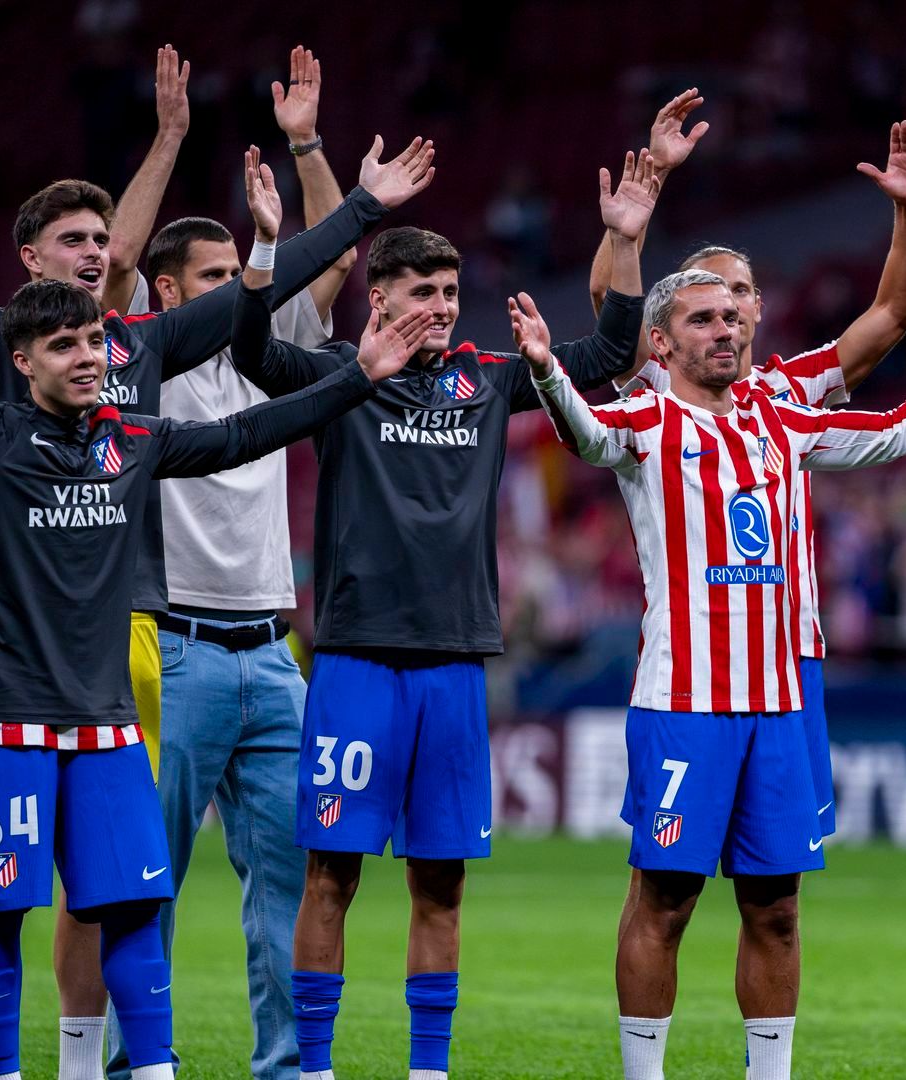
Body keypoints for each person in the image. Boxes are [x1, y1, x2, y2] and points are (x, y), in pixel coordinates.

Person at [0, 61, 430, 1078]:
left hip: (237, 649)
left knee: (146, 879)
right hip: (126, 647)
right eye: (77, 245)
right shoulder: (9, 362)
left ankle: (202, 1065)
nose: (98, 258)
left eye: (103, 246)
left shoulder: (145, 352)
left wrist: (355, 199)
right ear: (29, 265)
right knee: (23, 880)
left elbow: (285, 328)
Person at [0, 273, 435, 1080]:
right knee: (2, 907)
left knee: (132, 905)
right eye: (64, 345)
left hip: (108, 728)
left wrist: (355, 377)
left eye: (94, 340)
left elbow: (243, 434)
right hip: (8, 727)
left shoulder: (134, 439)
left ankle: (152, 1071)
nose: (88, 357)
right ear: (22, 361)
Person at [520, 269, 906, 1080]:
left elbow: (893, 431)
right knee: (665, 902)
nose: (726, 330)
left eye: (734, 316)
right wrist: (544, 368)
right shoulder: (645, 417)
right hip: (685, 702)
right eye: (703, 319)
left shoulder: (781, 417)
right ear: (663, 343)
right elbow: (585, 435)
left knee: (776, 908)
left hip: (778, 706)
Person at [223, 151, 656, 1080]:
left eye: (452, 290)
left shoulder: (489, 378)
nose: (443, 306)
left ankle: (428, 1071)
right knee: (331, 874)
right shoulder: (343, 375)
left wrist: (622, 238)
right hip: (353, 665)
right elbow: (251, 351)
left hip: (457, 665)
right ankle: (315, 1069)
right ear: (377, 299)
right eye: (423, 290)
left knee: (441, 882)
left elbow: (612, 359)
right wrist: (266, 246)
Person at [101, 48, 357, 1080]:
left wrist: (306, 148)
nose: (239, 291)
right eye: (215, 280)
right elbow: (114, 265)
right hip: (178, 648)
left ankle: (290, 1066)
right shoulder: (135, 361)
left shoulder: (265, 349)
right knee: (146, 879)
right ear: (171, 291)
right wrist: (168, 139)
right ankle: (136, 1064)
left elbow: (333, 265)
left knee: (290, 884)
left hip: (271, 653)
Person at [589, 93, 906, 846]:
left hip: (790, 655)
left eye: (742, 293)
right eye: (712, 299)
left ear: (762, 308)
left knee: (779, 887)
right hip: (691, 660)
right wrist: (638, 219)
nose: (731, 312)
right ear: (671, 332)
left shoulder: (787, 390)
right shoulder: (656, 386)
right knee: (668, 881)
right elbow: (609, 319)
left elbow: (897, 315)